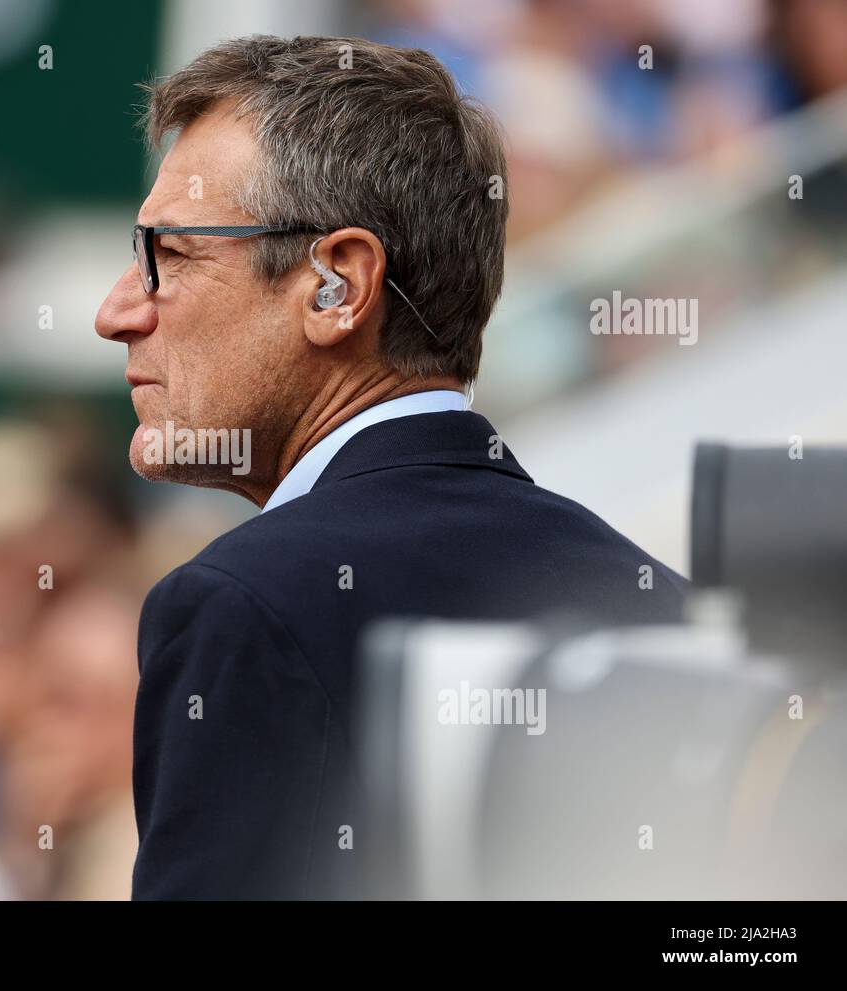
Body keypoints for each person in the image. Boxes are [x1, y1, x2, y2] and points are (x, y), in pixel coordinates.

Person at [94, 35, 688, 900]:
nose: (117, 312)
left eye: (171, 256)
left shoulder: (241, 604)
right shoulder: (661, 601)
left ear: (338, 285)